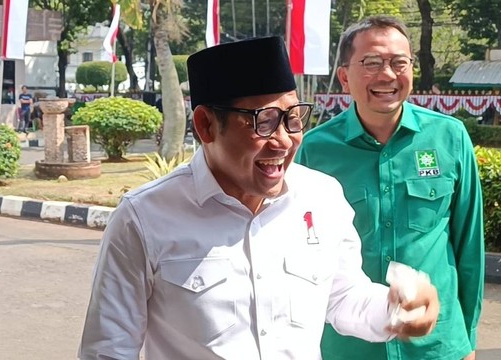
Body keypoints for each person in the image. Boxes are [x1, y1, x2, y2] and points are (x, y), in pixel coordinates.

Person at [78, 36, 440, 360]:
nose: (283, 140)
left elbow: (345, 297)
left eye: (292, 118)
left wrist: (397, 310)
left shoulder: (322, 197)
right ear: (205, 125)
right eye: (263, 121)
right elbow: (108, 349)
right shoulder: (144, 217)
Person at [296, 15, 485, 360]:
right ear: (343, 77)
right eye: (371, 63)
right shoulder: (314, 150)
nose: (387, 75)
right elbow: (300, 255)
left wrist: (467, 339)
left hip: (435, 344)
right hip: (348, 348)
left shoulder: (450, 137)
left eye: (399, 62)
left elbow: (469, 247)